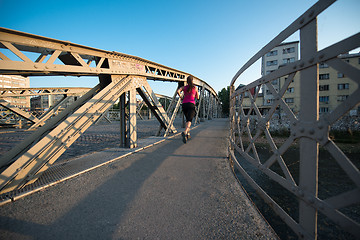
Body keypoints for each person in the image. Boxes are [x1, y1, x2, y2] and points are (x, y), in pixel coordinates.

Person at [177, 75, 199, 143]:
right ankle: (185, 132)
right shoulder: (195, 88)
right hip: (191, 105)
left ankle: (187, 135)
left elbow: (178, 91)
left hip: (184, 105)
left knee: (187, 120)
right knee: (189, 120)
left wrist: (180, 97)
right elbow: (197, 97)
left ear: (187, 81)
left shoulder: (184, 87)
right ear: (192, 81)